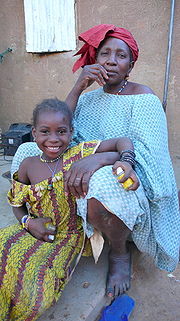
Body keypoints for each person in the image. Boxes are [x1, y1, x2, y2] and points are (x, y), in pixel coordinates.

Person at [10, 24, 179, 299]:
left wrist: (98, 160)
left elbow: (148, 157)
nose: (111, 60)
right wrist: (79, 85)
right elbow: (60, 128)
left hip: (121, 170)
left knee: (101, 183)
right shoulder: (89, 98)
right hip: (78, 161)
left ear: (131, 65)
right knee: (26, 152)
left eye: (120, 55)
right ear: (95, 59)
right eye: (104, 53)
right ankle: (49, 221)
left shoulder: (143, 99)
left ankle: (119, 251)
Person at [0, 98, 139, 320]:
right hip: (31, 230)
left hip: (65, 237)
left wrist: (124, 161)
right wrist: (28, 222)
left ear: (71, 132)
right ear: (34, 133)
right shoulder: (27, 165)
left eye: (61, 131)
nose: (53, 139)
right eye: (45, 132)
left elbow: (122, 141)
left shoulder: (79, 154)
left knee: (35, 291)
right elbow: (16, 205)